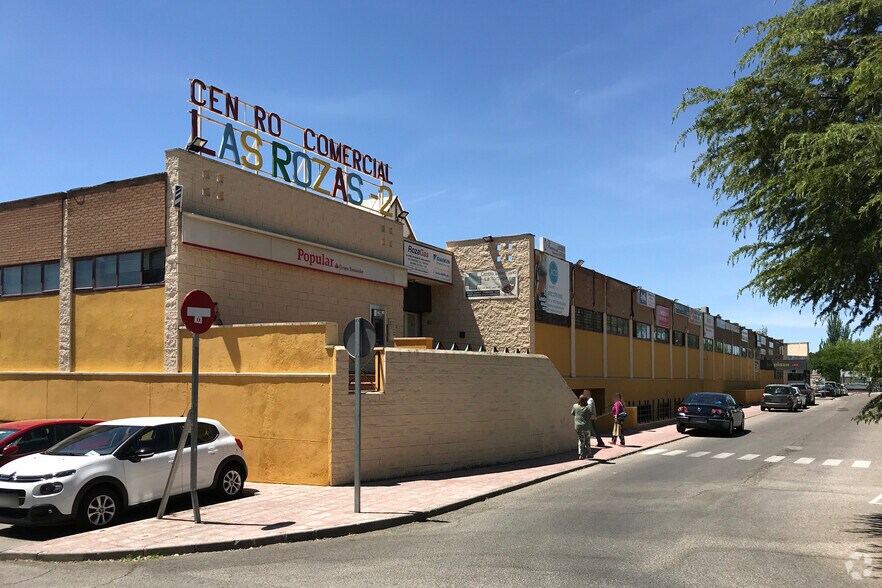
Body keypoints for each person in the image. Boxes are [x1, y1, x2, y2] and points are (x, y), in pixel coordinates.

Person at [571, 393, 592, 459]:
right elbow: (590, 415)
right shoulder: (588, 407)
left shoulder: (575, 406)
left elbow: (573, 413)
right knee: (587, 440)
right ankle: (588, 454)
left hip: (578, 426)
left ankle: (581, 454)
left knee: (581, 440)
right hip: (586, 426)